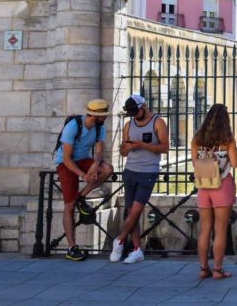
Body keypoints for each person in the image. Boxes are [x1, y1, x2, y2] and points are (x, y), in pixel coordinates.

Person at [110, 94, 168, 264]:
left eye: (136, 111)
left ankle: (119, 240)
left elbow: (164, 147)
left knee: (136, 210)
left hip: (148, 171)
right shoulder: (128, 125)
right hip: (130, 170)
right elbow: (122, 151)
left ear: (144, 106)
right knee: (130, 212)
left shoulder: (158, 122)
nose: (134, 115)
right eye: (131, 113)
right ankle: (136, 249)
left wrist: (142, 145)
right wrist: (126, 148)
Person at [54, 98, 114, 261]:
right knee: (69, 205)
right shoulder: (72, 127)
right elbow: (66, 159)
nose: (107, 118)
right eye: (105, 115)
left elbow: (99, 150)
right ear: (96, 116)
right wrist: (83, 174)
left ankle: (81, 197)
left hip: (83, 159)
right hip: (66, 163)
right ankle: (72, 247)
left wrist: (95, 165)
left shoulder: (99, 126)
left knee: (107, 169)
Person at [191, 104, 237, 280]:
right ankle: (218, 269)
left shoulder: (197, 138)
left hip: (204, 186)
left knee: (204, 229)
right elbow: (234, 164)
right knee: (220, 230)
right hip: (222, 185)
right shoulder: (228, 139)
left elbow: (195, 163)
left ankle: (203, 268)